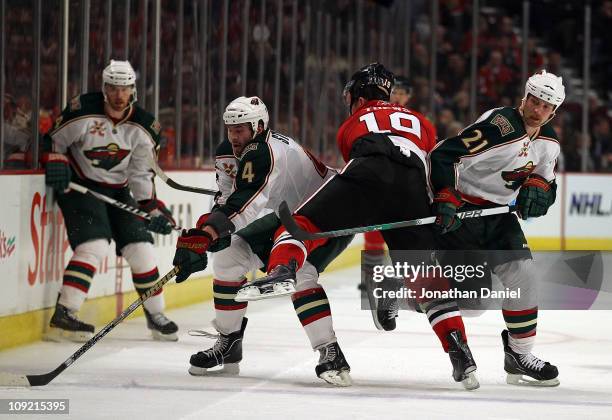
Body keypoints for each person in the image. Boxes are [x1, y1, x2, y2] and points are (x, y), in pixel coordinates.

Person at [238, 63, 479, 389]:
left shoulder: (352, 121)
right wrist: (445, 200)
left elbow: (358, 165)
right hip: (412, 189)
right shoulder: (422, 122)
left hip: (368, 171)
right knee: (425, 277)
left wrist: (361, 209)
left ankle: (282, 271)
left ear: (357, 95)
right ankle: (460, 353)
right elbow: (433, 166)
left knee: (299, 224)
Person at [172, 96, 353, 386]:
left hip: (327, 214)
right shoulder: (231, 151)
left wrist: (210, 232)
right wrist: (208, 234)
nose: (233, 136)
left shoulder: (264, 150)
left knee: (300, 274)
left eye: (240, 129)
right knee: (228, 256)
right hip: (289, 216)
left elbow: (249, 202)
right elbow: (227, 198)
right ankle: (229, 344)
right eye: (230, 129)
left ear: (258, 126)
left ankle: (330, 352)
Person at [428, 70, 564, 386]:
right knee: (472, 302)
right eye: (535, 100)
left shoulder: (549, 143)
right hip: (463, 211)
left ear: (553, 112)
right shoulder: (500, 126)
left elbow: (547, 181)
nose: (538, 109)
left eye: (546, 106)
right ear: (524, 98)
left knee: (524, 273)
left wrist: (542, 191)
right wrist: (445, 194)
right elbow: (444, 154)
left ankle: (519, 356)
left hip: (499, 216)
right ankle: (397, 293)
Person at [41, 60, 178, 342]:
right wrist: (55, 159)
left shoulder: (144, 127)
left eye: (125, 89)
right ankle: (65, 312)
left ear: (133, 91)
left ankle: (156, 314)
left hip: (117, 189)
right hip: (79, 187)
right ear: (104, 89)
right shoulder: (83, 111)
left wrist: (151, 207)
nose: (119, 95)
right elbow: (54, 141)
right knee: (94, 245)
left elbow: (140, 173)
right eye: (114, 88)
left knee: (142, 249)